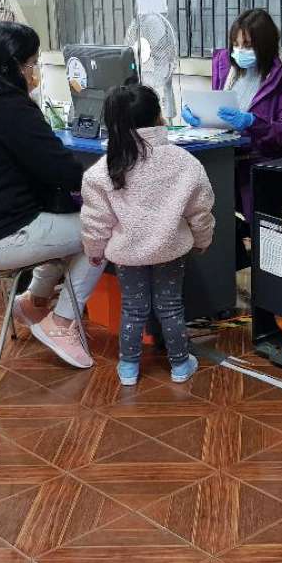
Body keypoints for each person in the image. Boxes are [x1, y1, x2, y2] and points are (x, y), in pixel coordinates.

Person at [0, 21, 103, 368]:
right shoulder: (8, 106)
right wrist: (102, 175)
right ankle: (61, 323)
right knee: (104, 226)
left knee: (63, 220)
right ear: (11, 64)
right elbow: (60, 170)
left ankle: (34, 302)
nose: (34, 70)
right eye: (31, 62)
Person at [81, 83, 214, 387]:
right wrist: (203, 239)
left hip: (128, 254)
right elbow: (200, 211)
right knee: (170, 306)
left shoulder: (102, 171)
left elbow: (95, 222)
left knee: (133, 308)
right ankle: (180, 365)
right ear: (158, 117)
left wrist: (94, 250)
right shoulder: (184, 163)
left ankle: (128, 368)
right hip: (171, 249)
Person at [182, 7, 282, 263]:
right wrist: (200, 118)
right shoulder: (228, 66)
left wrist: (253, 122)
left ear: (265, 45)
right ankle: (224, 277)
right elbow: (219, 108)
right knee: (200, 202)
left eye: (247, 45)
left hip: (262, 161)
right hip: (225, 155)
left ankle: (262, 281)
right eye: (236, 44)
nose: (240, 51)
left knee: (256, 227)